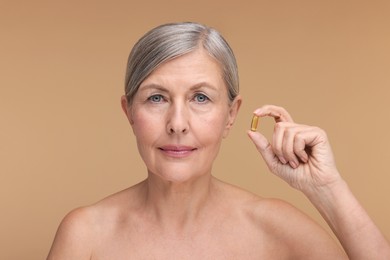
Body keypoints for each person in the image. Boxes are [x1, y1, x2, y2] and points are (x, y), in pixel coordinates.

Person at [47, 22, 390, 259]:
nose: (177, 124)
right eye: (156, 98)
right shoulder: (85, 234)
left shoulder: (276, 228)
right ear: (128, 112)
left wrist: (327, 188)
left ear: (230, 114)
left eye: (200, 98)